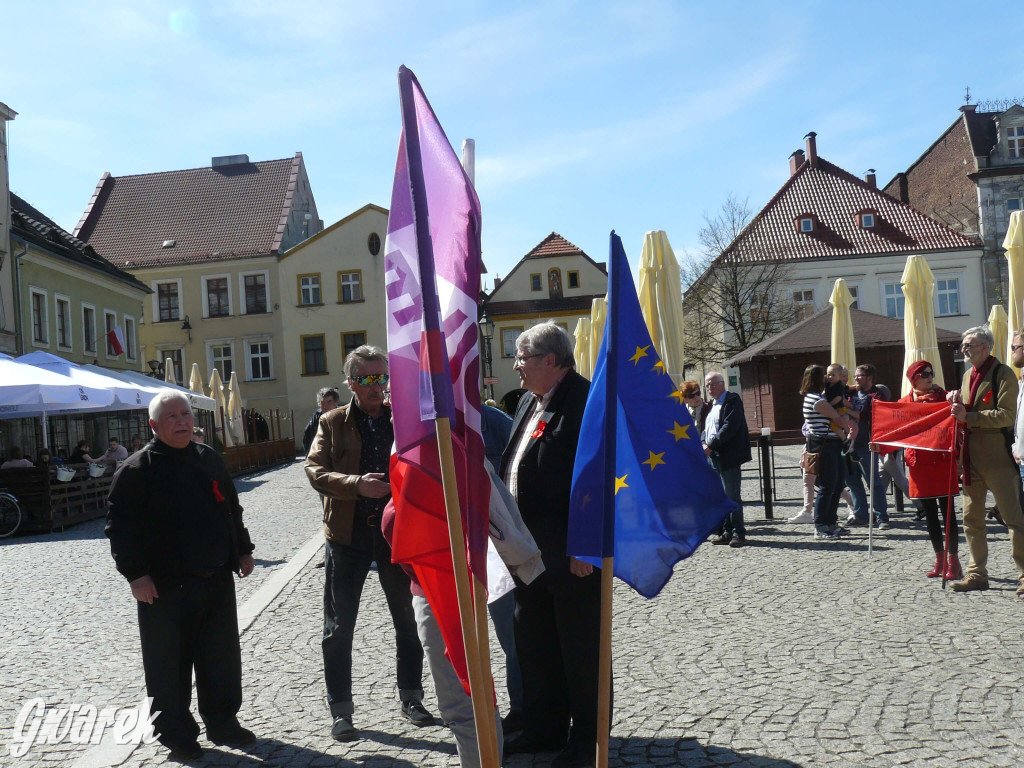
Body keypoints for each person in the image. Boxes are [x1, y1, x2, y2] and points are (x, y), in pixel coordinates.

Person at [105, 391, 256, 761]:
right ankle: (176, 735)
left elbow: (231, 508)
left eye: (186, 414)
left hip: (216, 578)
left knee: (220, 657)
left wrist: (242, 548)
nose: (182, 422)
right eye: (171, 417)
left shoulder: (208, 459)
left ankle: (223, 722)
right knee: (168, 666)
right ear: (154, 425)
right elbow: (120, 528)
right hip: (164, 587)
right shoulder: (138, 469)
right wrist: (136, 576)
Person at [304, 346, 432, 741]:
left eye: (382, 377)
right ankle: (341, 709)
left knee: (408, 621)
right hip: (348, 535)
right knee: (339, 627)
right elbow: (314, 470)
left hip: (398, 534)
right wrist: (356, 484)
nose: (378, 386)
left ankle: (411, 696)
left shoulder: (403, 418)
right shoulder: (332, 421)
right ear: (351, 382)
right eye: (368, 379)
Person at [500, 322, 601, 768]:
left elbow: (599, 480)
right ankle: (544, 728)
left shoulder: (586, 401)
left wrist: (588, 545)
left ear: (550, 360)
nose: (516, 365)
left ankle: (588, 740)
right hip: (528, 551)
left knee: (580, 647)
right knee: (535, 642)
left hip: (570, 550)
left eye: (522, 357)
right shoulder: (528, 401)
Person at [947, 326, 1024, 595]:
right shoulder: (967, 375)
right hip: (971, 460)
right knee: (971, 520)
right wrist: (956, 402)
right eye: (963, 345)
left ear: (986, 347)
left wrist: (970, 417)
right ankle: (977, 573)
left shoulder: (1003, 374)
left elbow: (1006, 415)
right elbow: (965, 412)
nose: (964, 349)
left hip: (998, 458)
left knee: (1014, 519)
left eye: (969, 345)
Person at [889, 361, 962, 579]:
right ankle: (939, 561)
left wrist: (956, 403)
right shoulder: (905, 403)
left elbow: (962, 416)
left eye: (931, 373)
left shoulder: (945, 397)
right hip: (919, 464)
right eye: (925, 374)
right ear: (914, 379)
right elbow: (895, 430)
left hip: (941, 462)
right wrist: (880, 443)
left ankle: (954, 562)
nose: (930, 377)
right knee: (930, 515)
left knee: (948, 514)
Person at [478, 401, 525, 734]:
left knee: (513, 635)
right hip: (452, 551)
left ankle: (523, 710)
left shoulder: (493, 421)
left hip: (498, 551)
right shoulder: (422, 425)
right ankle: (472, 716)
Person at [702, 371, 752, 548]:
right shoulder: (713, 405)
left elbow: (729, 427)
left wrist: (711, 445)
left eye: (712, 384)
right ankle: (726, 531)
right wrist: (703, 442)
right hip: (714, 456)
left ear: (722, 384)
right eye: (707, 385)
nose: (709, 388)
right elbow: (707, 428)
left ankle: (739, 533)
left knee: (732, 496)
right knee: (720, 496)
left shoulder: (732, 401)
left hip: (728, 456)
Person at [800, 364, 850, 540]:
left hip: (833, 443)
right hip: (824, 444)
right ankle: (820, 525)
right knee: (827, 486)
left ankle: (831, 522)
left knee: (837, 484)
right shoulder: (816, 400)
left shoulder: (818, 397)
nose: (826, 379)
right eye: (824, 376)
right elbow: (838, 418)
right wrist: (844, 420)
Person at [303, 387, 340, 456]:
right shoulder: (315, 419)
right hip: (321, 457)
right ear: (318, 404)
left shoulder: (343, 417)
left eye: (329, 402)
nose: (325, 406)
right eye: (322, 403)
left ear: (336, 403)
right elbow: (308, 438)